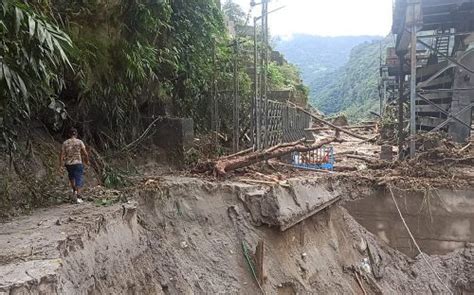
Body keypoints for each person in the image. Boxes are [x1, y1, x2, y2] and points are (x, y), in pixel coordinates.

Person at [59, 128, 89, 203]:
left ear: (69, 134)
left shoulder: (65, 143)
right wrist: (87, 161)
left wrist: (61, 165)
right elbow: (85, 153)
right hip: (78, 162)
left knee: (71, 177)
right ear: (76, 134)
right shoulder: (79, 142)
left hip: (68, 163)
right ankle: (78, 196)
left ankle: (74, 191)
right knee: (79, 178)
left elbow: (62, 155)